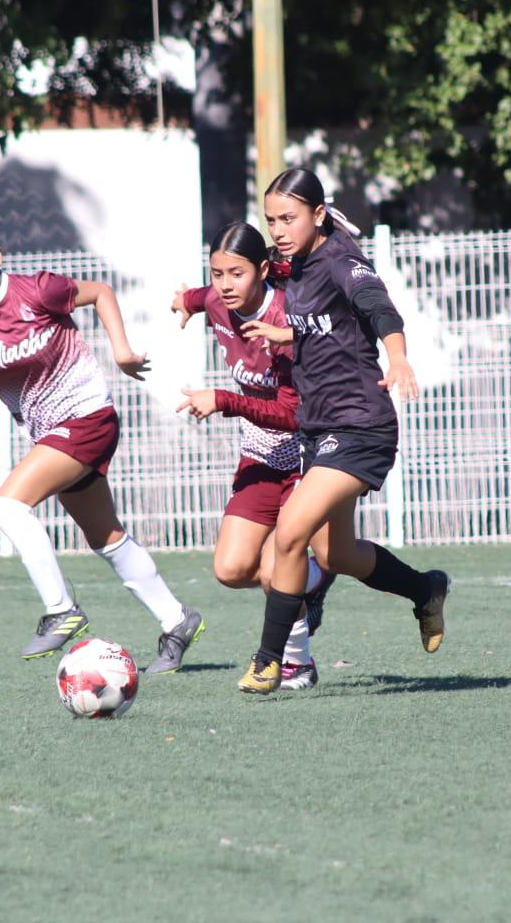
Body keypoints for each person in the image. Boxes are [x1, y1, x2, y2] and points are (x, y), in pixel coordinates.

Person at [0, 219, 204, 673]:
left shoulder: (37, 290)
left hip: (86, 416)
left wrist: (120, 351)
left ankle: (62, 610)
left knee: (8, 506)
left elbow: (99, 292)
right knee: (105, 536)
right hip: (52, 432)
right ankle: (178, 620)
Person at [235, 168, 449, 695]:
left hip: (360, 425)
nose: (279, 229)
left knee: (289, 533)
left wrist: (397, 359)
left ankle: (270, 663)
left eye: (289, 218)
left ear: (318, 214)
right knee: (337, 556)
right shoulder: (299, 265)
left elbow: (378, 309)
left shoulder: (340, 259)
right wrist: (282, 331)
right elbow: (324, 326)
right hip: (320, 428)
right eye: (271, 220)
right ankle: (426, 590)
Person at [172, 221, 336, 690]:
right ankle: (312, 581)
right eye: (217, 272)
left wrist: (223, 400)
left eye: (236, 273)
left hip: (307, 458)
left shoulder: (285, 321)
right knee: (230, 570)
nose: (225, 284)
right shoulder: (217, 300)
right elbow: (199, 296)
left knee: (272, 572)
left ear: (263, 270)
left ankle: (297, 662)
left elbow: (291, 413)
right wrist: (182, 303)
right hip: (260, 456)